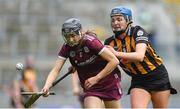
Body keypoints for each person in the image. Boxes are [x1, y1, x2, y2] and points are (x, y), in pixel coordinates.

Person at [104, 6, 177, 108]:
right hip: (138, 80)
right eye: (113, 20)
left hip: (158, 76)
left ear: (128, 21)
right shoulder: (109, 42)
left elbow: (139, 56)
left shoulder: (138, 32)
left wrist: (115, 53)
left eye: (119, 19)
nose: (115, 23)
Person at [41, 18, 122, 108]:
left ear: (80, 32)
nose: (70, 40)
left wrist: (96, 78)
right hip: (91, 87)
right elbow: (55, 70)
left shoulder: (91, 42)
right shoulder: (66, 47)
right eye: (67, 36)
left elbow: (114, 61)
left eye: (73, 36)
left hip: (108, 83)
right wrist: (47, 86)